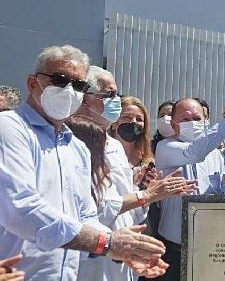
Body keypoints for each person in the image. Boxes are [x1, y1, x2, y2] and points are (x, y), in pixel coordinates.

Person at [0, 45, 168, 280]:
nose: (69, 90)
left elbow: (86, 215)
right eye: (60, 80)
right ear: (32, 83)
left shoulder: (76, 147)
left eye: (78, 85)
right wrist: (107, 243)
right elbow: (20, 208)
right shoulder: (9, 127)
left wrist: (125, 250)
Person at [66, 115, 196, 281]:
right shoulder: (66, 182)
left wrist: (124, 248)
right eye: (101, 147)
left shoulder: (101, 174)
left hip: (115, 262)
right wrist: (146, 195)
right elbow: (98, 213)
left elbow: (121, 217)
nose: (106, 153)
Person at [154, 98, 225, 281]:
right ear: (174, 125)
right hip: (173, 250)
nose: (193, 123)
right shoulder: (165, 147)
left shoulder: (216, 155)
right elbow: (194, 152)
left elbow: (221, 194)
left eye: (197, 118)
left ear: (206, 122)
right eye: (185, 120)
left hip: (208, 249)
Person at [110, 96, 154, 170]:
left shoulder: (147, 160)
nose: (134, 121)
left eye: (139, 119)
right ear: (113, 122)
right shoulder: (103, 154)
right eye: (127, 117)